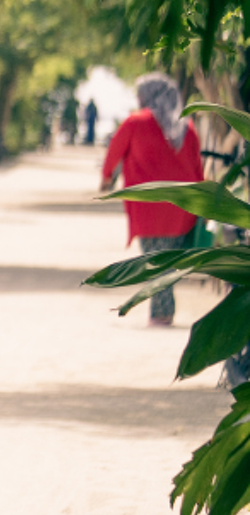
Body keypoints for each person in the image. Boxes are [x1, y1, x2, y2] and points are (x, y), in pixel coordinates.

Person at [101, 74, 202, 326]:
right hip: (181, 206)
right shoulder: (185, 127)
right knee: (168, 259)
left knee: (155, 262)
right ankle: (163, 310)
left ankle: (162, 313)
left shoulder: (136, 122)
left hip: (148, 205)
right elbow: (197, 169)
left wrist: (106, 179)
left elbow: (114, 151)